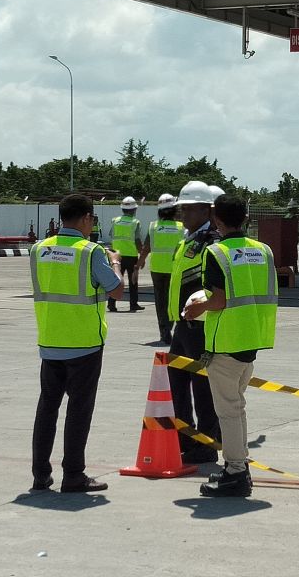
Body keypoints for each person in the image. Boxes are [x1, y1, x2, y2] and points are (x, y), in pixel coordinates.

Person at [184, 193, 278, 498]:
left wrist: (195, 309)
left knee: (228, 410)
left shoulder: (216, 252)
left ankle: (236, 471)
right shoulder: (263, 250)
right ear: (246, 218)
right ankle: (238, 467)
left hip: (225, 340)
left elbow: (220, 300)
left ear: (217, 219)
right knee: (236, 407)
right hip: (252, 336)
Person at [28, 193, 123, 493]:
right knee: (79, 411)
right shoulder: (90, 252)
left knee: (47, 408)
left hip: (50, 339)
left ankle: (41, 474)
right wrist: (116, 263)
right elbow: (116, 291)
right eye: (92, 219)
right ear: (85, 218)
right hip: (84, 343)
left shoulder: (39, 249)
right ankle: (73, 474)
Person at [166, 180, 222, 464]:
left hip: (200, 324)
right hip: (182, 324)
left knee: (203, 388)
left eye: (187, 209)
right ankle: (185, 437)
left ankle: (207, 443)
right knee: (176, 381)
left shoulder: (211, 241)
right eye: (181, 209)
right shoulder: (189, 239)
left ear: (205, 210)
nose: (182, 215)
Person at [138, 194, 184, 345]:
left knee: (160, 300)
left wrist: (140, 262)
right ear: (174, 210)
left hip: (157, 268)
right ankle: (170, 327)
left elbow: (146, 247)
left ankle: (163, 331)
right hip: (174, 268)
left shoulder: (153, 227)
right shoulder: (180, 227)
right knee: (172, 299)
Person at [107, 197, 145, 312]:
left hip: (117, 255)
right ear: (134, 210)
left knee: (116, 280)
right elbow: (138, 240)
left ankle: (111, 304)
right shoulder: (135, 222)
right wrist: (141, 257)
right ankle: (133, 304)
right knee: (133, 281)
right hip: (131, 256)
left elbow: (111, 235)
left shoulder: (115, 220)